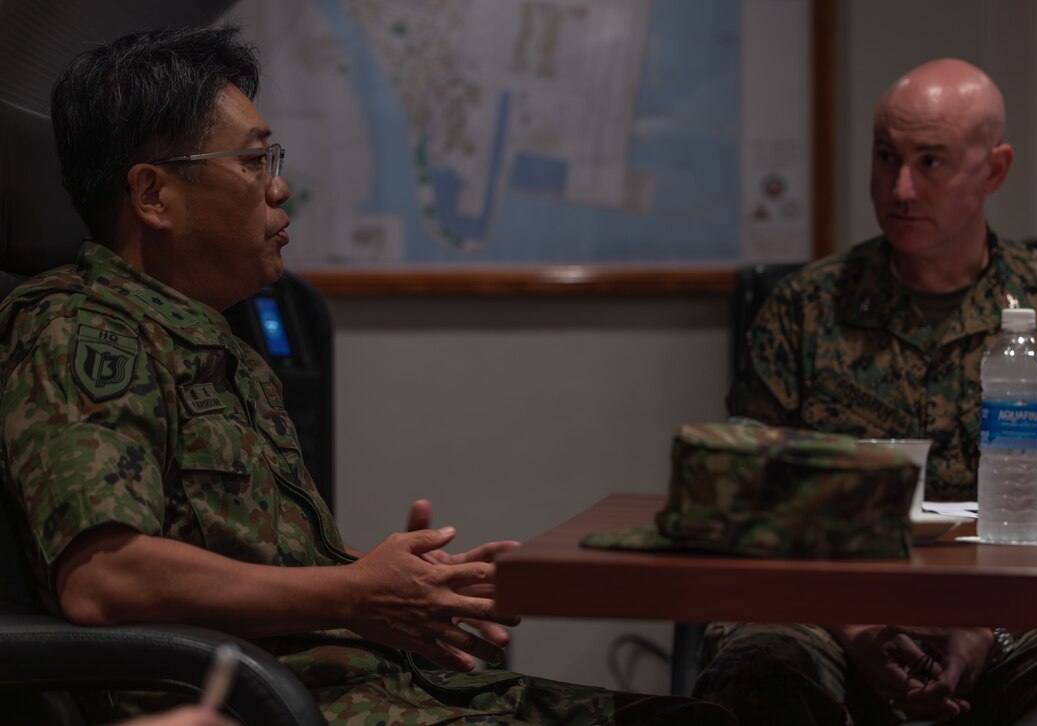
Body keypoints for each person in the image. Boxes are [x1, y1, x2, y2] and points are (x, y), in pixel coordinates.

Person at [0, 26, 729, 725]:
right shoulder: (80, 330)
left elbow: (257, 555)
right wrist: (354, 592)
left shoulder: (210, 338)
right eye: (254, 162)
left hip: (372, 689)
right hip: (263, 706)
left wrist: (418, 585)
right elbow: (105, 578)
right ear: (153, 195)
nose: (278, 191)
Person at [695, 59, 1037, 724]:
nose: (899, 188)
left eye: (930, 162)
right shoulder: (805, 308)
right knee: (761, 673)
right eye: (885, 157)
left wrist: (987, 627)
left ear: (994, 171)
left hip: (1018, 610)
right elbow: (746, 498)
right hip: (823, 605)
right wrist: (854, 624)